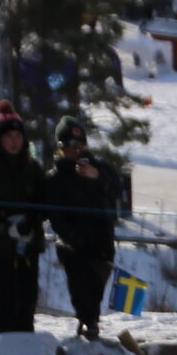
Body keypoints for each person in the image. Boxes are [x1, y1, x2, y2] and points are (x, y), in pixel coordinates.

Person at [44, 117, 121, 341]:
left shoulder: (100, 169)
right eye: (71, 146)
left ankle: (92, 321)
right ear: (61, 148)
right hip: (74, 244)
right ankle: (87, 321)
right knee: (80, 289)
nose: (77, 150)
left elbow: (116, 190)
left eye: (81, 145)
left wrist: (97, 177)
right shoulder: (56, 178)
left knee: (97, 288)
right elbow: (56, 216)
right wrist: (74, 238)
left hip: (101, 240)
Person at [0, 109, 47, 334]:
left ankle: (25, 336)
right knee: (7, 295)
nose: (14, 141)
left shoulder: (32, 166)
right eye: (8, 137)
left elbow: (45, 199)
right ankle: (1, 337)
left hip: (30, 240)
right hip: (1, 241)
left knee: (28, 295)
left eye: (17, 136)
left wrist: (32, 218)